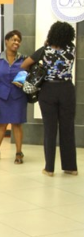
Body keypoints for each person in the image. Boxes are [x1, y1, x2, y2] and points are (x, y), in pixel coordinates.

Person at [21, 21, 77, 177]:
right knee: (68, 129)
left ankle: (49, 169)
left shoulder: (44, 51)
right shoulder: (71, 49)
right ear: (68, 35)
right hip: (66, 90)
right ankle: (70, 167)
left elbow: (24, 65)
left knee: (50, 130)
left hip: (48, 90)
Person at [0, 30, 27, 164]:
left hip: (18, 97)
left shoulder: (23, 59)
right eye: (14, 40)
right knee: (1, 125)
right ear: (6, 41)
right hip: (1, 97)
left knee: (17, 124)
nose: (16, 43)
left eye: (18, 41)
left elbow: (27, 77)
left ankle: (19, 153)